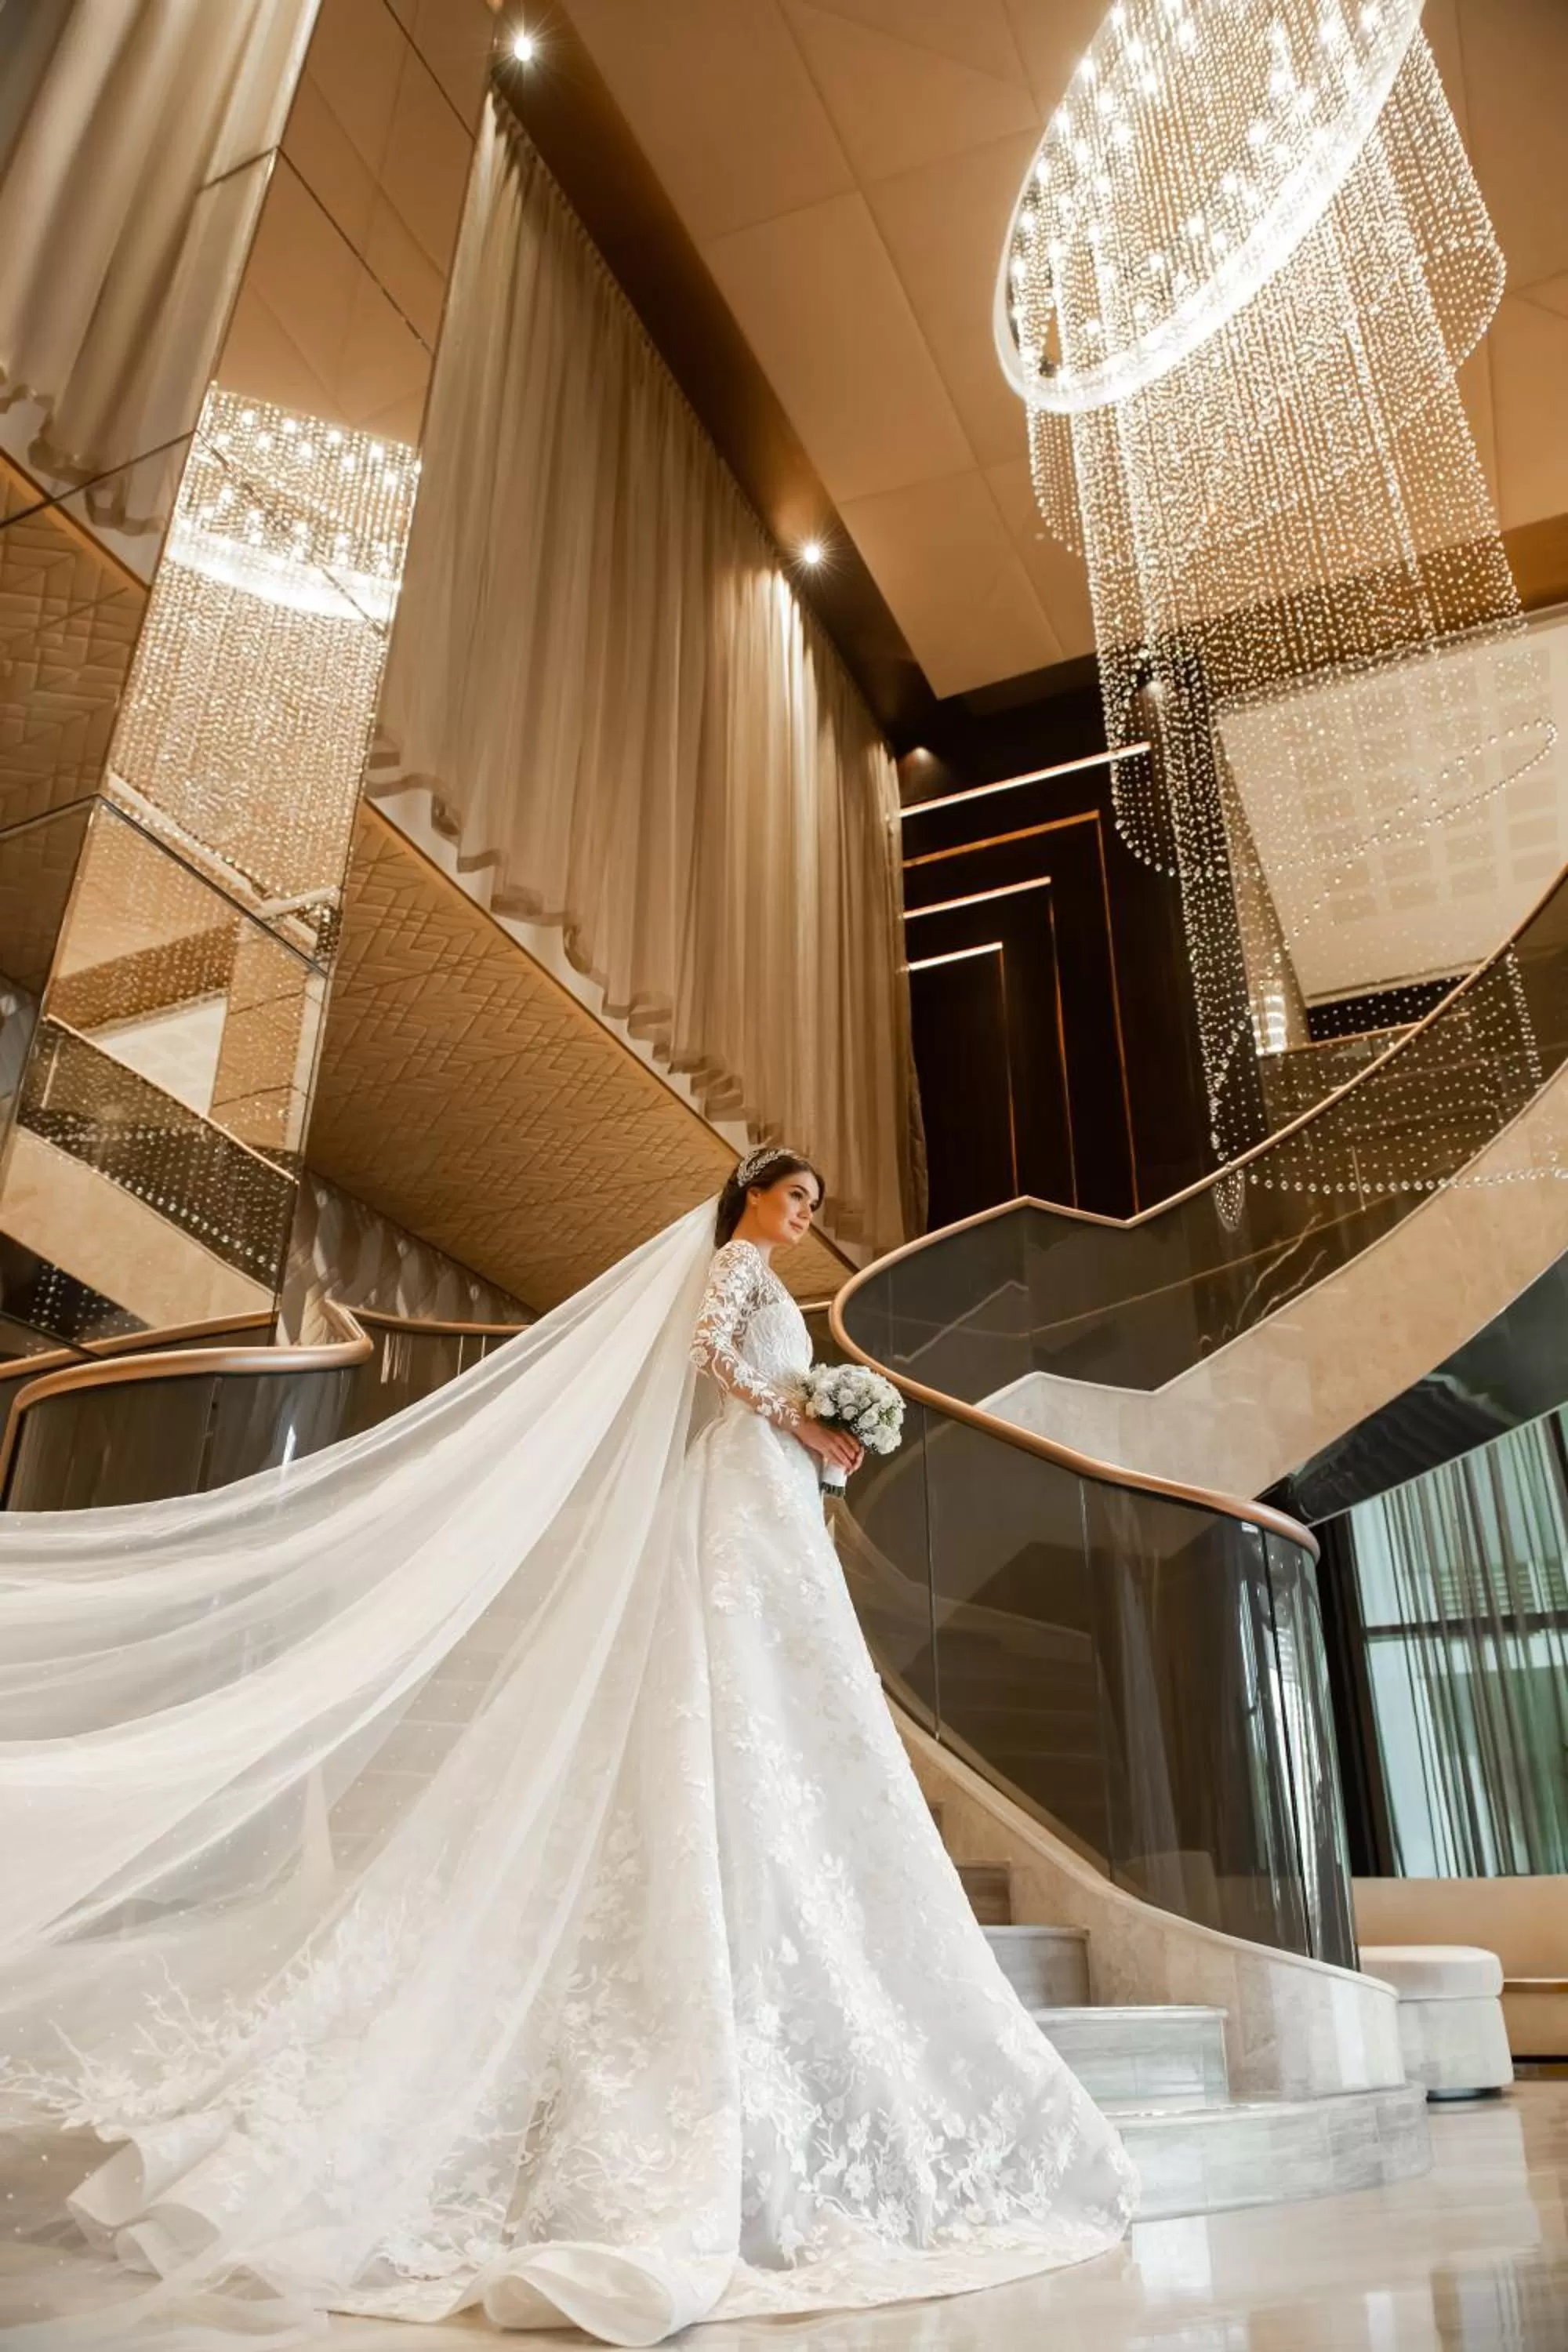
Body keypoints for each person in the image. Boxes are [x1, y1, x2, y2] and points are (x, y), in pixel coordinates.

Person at [0, 1149, 1134, 2349]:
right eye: (795, 1198)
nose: (806, 1219)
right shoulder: (738, 1269)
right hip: (744, 1484)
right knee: (728, 1679)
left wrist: (815, 1438)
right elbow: (705, 1358)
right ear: (751, 1193)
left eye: (810, 1208)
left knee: (784, 1698)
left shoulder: (771, 1284)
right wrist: (796, 1413)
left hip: (776, 1501)